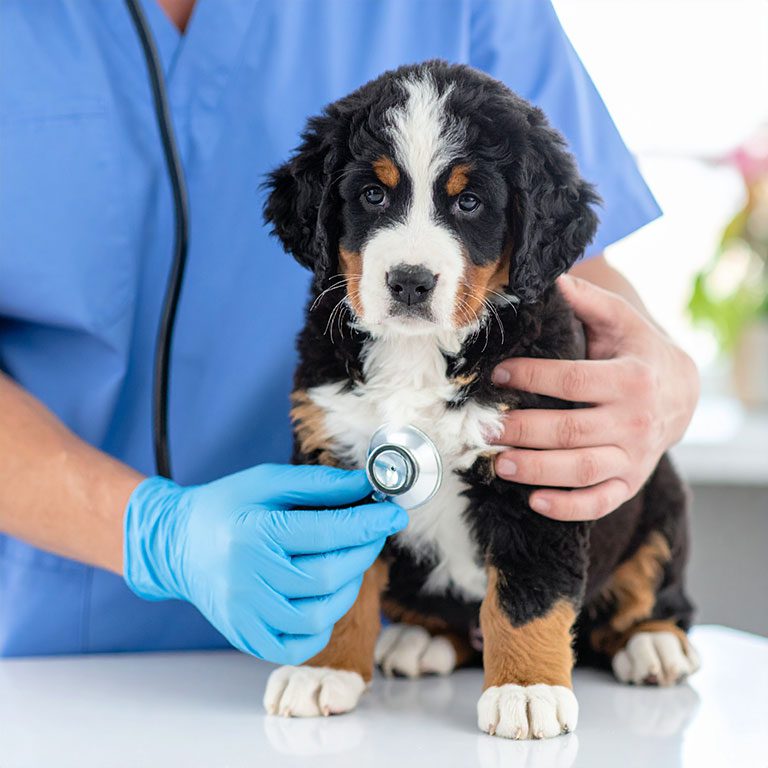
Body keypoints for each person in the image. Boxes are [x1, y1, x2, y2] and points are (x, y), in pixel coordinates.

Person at [0, 0, 699, 659]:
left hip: (402, 653)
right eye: (373, 193)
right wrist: (155, 535)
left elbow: (567, 265)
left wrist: (664, 377)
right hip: (46, 641)